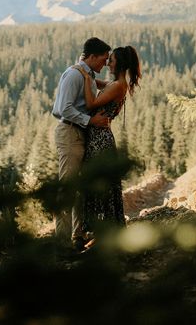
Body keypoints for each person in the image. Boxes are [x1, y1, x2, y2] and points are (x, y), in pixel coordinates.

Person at [52, 37, 111, 250]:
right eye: (103, 59)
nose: (105, 63)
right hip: (69, 132)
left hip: (80, 134)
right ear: (92, 56)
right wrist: (90, 120)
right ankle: (61, 242)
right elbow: (62, 108)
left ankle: (77, 236)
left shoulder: (88, 76)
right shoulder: (74, 74)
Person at [76, 45, 141, 230]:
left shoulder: (118, 86)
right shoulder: (117, 84)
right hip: (101, 136)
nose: (107, 64)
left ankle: (101, 228)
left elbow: (91, 103)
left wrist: (86, 76)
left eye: (110, 61)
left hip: (99, 139)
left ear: (119, 64)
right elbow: (99, 85)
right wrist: (85, 71)